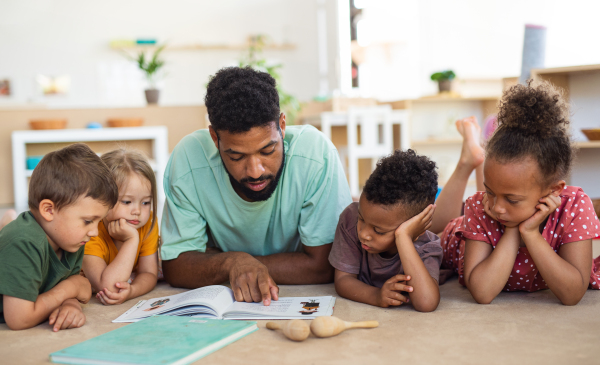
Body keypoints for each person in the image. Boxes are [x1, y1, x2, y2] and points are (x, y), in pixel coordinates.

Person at [160, 66, 352, 305]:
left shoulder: (315, 155)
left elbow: (324, 266)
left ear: (282, 126)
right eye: (236, 156)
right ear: (214, 138)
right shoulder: (189, 160)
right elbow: (176, 266)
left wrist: (230, 263)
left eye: (267, 150)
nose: (255, 171)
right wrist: (233, 263)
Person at [434, 81, 600, 305]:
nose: (497, 208)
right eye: (489, 191)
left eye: (512, 199)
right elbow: (483, 293)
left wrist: (530, 233)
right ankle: (468, 161)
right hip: (455, 237)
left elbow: (572, 294)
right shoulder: (481, 206)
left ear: (553, 190)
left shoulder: (575, 206)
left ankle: (472, 155)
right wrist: (512, 229)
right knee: (433, 233)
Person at [0, 143, 118, 331]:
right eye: (88, 221)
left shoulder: (71, 240)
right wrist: (69, 289)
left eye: (99, 222)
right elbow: (19, 318)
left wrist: (70, 305)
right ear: (49, 210)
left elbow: (81, 290)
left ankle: (7, 220)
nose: (94, 232)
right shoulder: (23, 242)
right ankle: (7, 222)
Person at [329, 150, 442, 312]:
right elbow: (343, 279)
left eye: (379, 231)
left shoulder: (427, 246)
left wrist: (403, 237)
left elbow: (426, 302)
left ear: (415, 229)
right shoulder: (350, 219)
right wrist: (375, 296)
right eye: (362, 219)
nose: (363, 234)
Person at [82, 149, 159, 305]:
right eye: (126, 202)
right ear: (102, 197)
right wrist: (132, 239)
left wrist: (133, 290)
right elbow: (108, 287)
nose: (137, 211)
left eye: (145, 202)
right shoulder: (89, 231)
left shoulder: (148, 222)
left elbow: (149, 272)